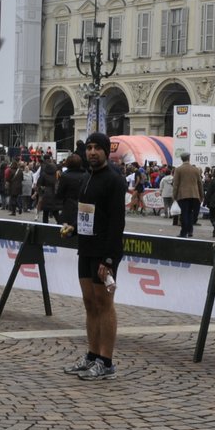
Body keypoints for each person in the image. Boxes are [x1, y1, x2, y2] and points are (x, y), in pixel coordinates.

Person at [63, 133, 127, 382]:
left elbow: (116, 222)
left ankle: (106, 361)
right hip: (86, 247)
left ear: (106, 151)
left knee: (104, 305)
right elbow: (87, 214)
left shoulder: (114, 180)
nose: (91, 152)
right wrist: (74, 228)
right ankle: (91, 355)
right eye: (88, 148)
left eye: (96, 148)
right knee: (89, 302)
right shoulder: (87, 177)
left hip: (105, 252)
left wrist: (109, 259)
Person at [171, 151, 203, 238]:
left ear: (182, 159)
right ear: (189, 158)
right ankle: (190, 231)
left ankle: (183, 232)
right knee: (190, 213)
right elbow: (200, 184)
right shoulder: (195, 169)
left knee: (184, 214)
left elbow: (176, 184)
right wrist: (201, 196)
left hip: (183, 195)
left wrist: (174, 195)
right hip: (194, 195)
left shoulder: (178, 169)